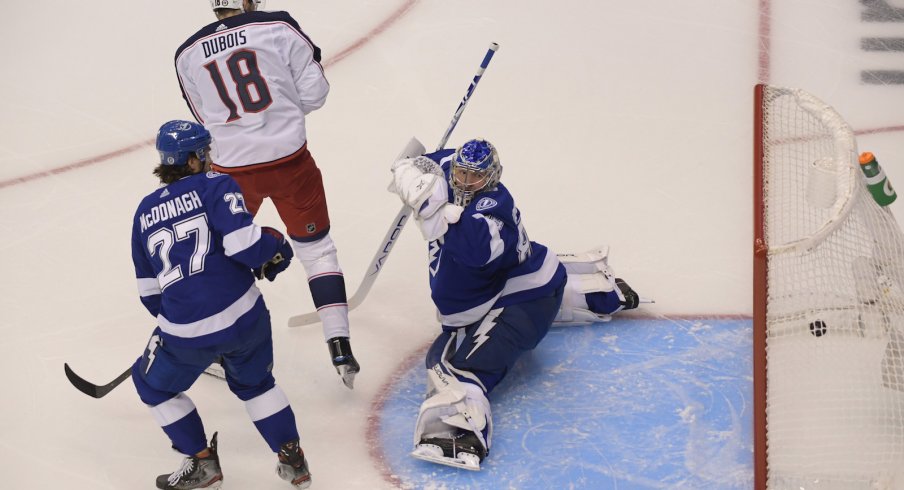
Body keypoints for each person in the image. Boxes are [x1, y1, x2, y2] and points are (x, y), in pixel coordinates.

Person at [388, 138, 640, 470]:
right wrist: (415, 179)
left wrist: (430, 207)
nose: (464, 183)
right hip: (518, 281)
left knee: (451, 364)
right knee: (464, 325)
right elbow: (419, 162)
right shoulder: (454, 169)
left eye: (474, 178)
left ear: (492, 177)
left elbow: (474, 252)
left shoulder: (492, 214)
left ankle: (460, 429)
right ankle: (591, 290)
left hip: (525, 299)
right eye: (460, 174)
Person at [173, 0, 359, 388]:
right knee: (316, 248)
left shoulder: (187, 53)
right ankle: (339, 342)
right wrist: (278, 114)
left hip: (230, 174)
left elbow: (204, 118)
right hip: (290, 162)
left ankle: (213, 347)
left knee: (216, 253)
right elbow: (315, 93)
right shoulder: (279, 26)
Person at [131, 120, 312, 489]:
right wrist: (275, 245)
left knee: (151, 385)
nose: (210, 159)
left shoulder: (144, 212)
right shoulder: (217, 186)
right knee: (257, 384)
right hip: (245, 318)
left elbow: (150, 294)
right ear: (194, 160)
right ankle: (293, 461)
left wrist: (182, 322)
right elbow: (245, 247)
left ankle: (201, 463)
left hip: (187, 335)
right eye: (206, 153)